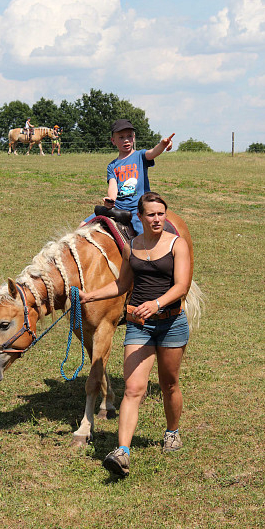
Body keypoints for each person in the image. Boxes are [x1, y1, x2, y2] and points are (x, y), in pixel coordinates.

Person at [78, 191, 190, 477]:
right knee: (133, 389)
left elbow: (182, 287)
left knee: (169, 385)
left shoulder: (177, 245)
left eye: (161, 213)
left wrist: (156, 304)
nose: (157, 219)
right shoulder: (132, 247)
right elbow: (121, 284)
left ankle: (172, 431)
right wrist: (90, 296)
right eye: (151, 214)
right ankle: (122, 451)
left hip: (171, 322)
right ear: (140, 217)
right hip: (140, 325)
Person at [81, 119, 174, 233]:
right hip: (119, 207)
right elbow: (113, 186)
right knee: (83, 226)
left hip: (138, 207)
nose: (126, 140)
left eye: (129, 136)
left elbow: (153, 152)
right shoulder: (112, 166)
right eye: (121, 137)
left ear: (133, 138)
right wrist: (110, 200)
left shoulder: (140, 156)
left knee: (145, 235)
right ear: (113, 140)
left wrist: (162, 145)